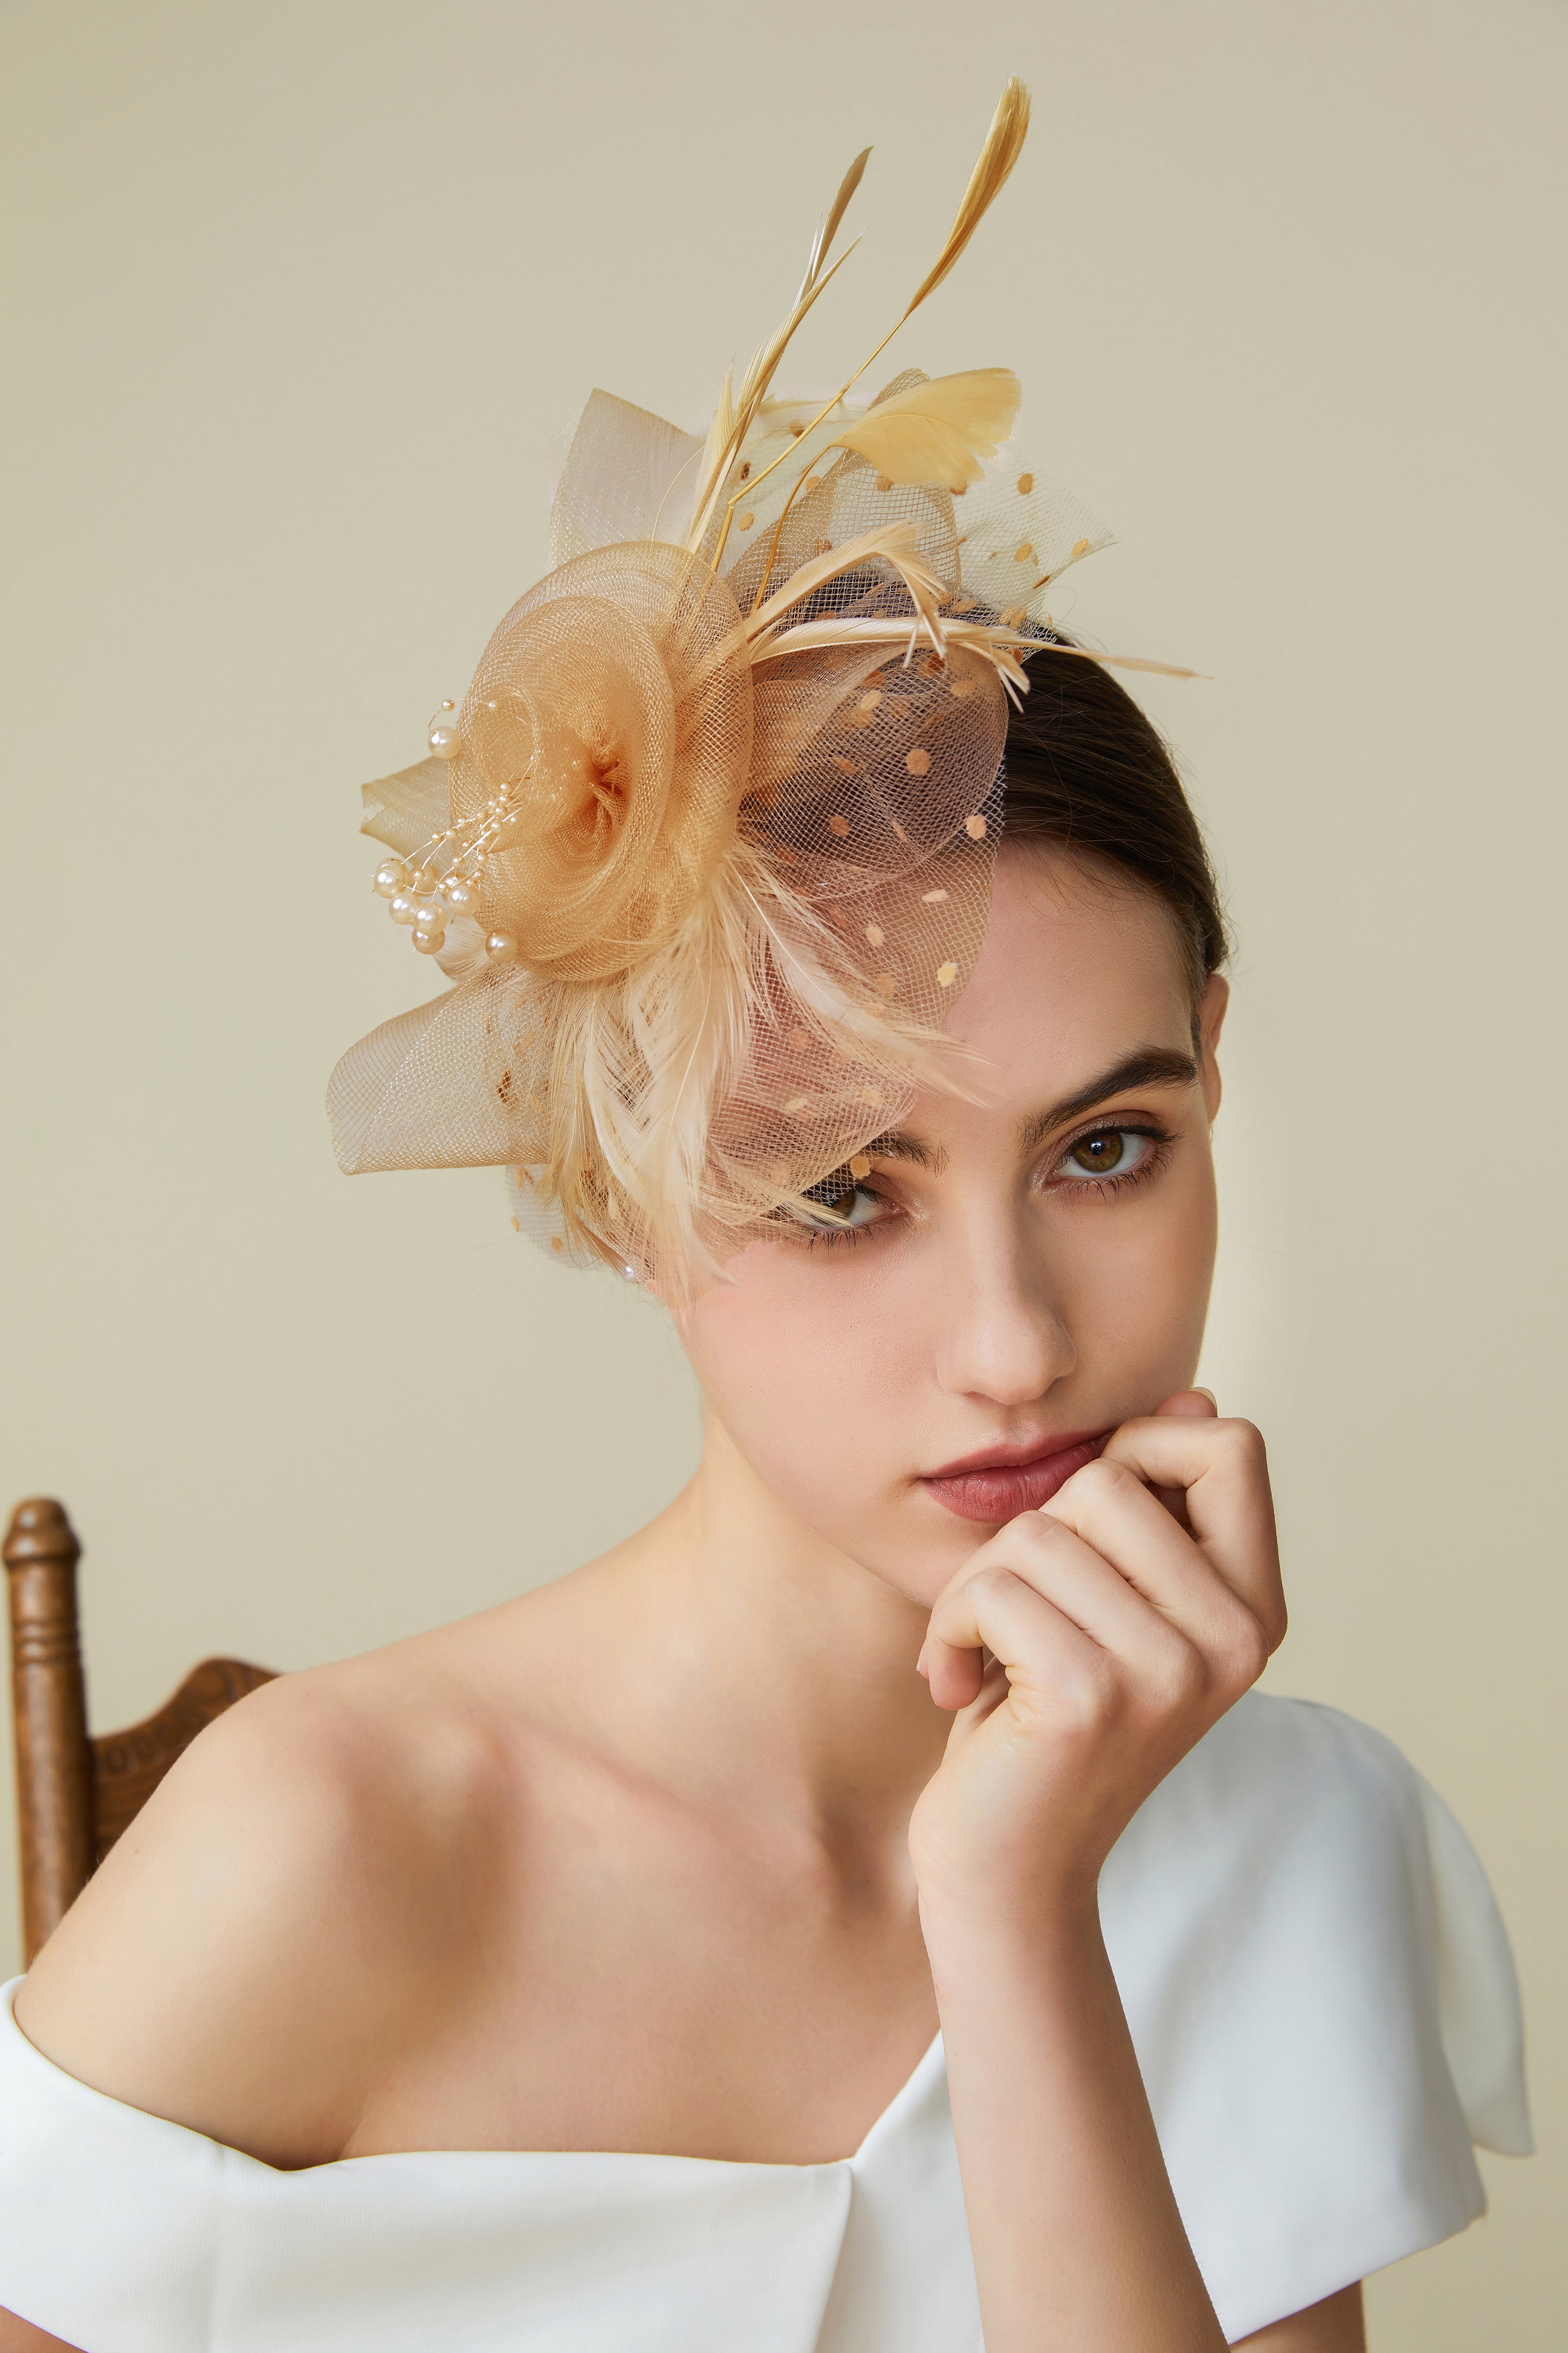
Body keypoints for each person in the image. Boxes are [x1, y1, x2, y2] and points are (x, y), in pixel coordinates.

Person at [0, 80, 1528, 2353]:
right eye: (839, 1191)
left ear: (1212, 1063)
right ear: (618, 1184)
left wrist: (1014, 1911)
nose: (1016, 1343)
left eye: (1108, 1147)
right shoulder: (332, 1846)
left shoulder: (1276, 1833)